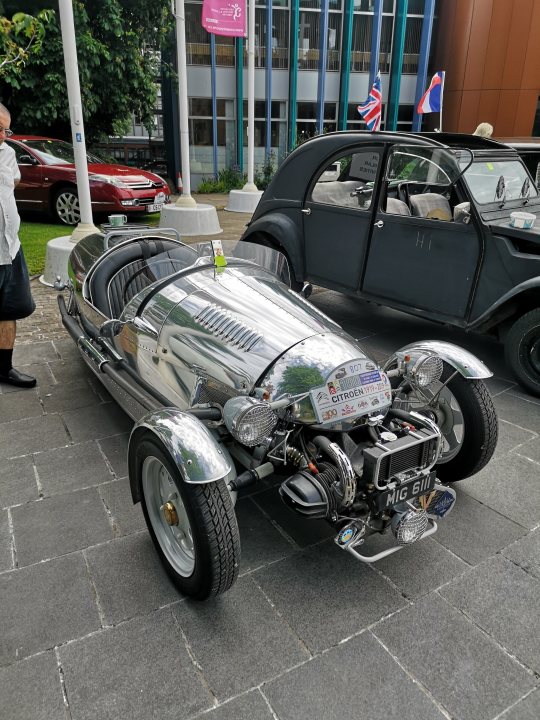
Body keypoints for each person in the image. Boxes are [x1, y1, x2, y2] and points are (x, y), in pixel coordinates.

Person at [0, 102, 36, 388]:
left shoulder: (8, 154)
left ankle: (4, 368)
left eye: (6, 129)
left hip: (11, 249)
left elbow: (12, 184)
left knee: (11, 309)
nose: (3, 135)